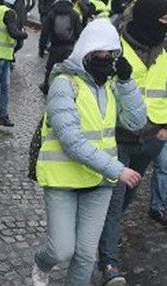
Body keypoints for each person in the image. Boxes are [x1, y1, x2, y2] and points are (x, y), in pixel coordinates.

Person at [31, 19, 147, 286]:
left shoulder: (111, 84)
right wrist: (118, 169)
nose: (105, 60)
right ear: (85, 51)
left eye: (111, 55)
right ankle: (42, 262)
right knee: (61, 249)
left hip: (99, 183)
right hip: (63, 179)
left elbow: (136, 123)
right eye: (99, 54)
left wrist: (127, 83)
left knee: (84, 256)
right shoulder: (64, 84)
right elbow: (71, 140)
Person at [98, 0, 167, 286]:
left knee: (127, 196)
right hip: (118, 138)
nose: (166, 25)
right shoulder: (116, 46)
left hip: (153, 138)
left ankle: (101, 232)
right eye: (163, 19)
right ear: (147, 19)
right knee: (114, 202)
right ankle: (109, 263)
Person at [38, 0, 82, 95]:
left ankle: (47, 87)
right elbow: (79, 32)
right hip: (70, 47)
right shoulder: (74, 14)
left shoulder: (52, 14)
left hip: (55, 47)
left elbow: (44, 33)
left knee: (50, 69)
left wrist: (41, 48)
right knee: (69, 70)